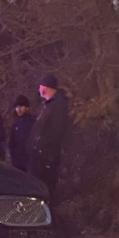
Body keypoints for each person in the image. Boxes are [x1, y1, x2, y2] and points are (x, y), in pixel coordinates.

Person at [27, 74, 70, 203]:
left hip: (46, 159)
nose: (39, 89)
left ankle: (46, 215)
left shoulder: (58, 106)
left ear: (45, 87)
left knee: (45, 188)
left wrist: (45, 153)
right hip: (39, 157)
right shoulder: (49, 105)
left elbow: (57, 132)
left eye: (40, 86)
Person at [8, 94, 35, 171]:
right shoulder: (16, 122)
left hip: (28, 160)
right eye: (17, 107)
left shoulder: (32, 121)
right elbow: (12, 141)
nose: (18, 109)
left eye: (21, 107)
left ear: (26, 107)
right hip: (17, 160)